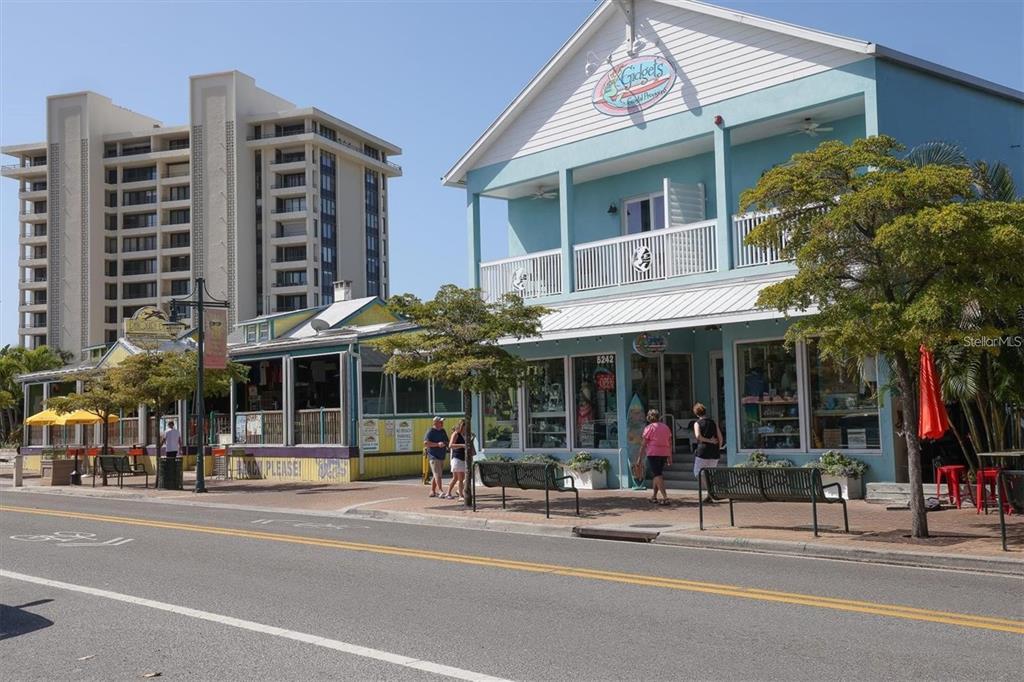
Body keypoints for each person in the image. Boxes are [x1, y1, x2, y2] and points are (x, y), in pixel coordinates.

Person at [637, 409, 672, 505]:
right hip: (664, 453)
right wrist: (669, 456)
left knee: (657, 475)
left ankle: (665, 497)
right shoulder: (665, 427)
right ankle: (654, 496)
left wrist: (639, 458)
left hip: (653, 453)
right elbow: (669, 443)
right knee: (657, 474)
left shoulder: (649, 428)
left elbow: (643, 444)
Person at [692, 402, 723, 503]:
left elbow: (698, 436)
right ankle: (710, 491)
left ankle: (710, 491)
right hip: (714, 451)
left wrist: (708, 441)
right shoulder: (713, 422)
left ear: (696, 414)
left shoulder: (697, 423)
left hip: (703, 451)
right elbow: (720, 437)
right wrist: (718, 446)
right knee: (710, 473)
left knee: (698, 472)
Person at [423, 416, 448, 498]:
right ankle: (440, 490)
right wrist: (437, 444)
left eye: (442, 421)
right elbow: (426, 443)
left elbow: (447, 441)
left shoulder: (443, 431)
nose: (442, 423)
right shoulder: (430, 431)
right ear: (435, 423)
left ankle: (432, 491)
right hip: (433, 456)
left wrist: (444, 443)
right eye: (440, 422)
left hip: (441, 455)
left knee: (436, 474)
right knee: (438, 474)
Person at [444, 419, 468, 500]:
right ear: (462, 426)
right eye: (465, 426)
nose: (466, 428)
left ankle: (448, 493)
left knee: (456, 478)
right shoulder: (456, 434)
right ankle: (461, 495)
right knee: (460, 478)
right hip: (457, 457)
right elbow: (450, 445)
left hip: (463, 457)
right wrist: (462, 445)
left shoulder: (464, 435)